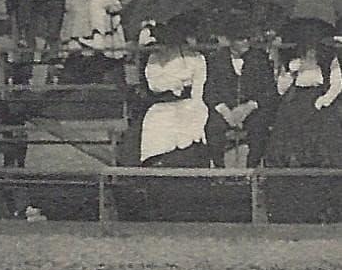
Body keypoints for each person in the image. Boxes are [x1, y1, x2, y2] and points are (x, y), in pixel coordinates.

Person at [263, 19, 342, 167]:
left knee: (327, 124)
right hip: (297, 98)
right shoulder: (293, 62)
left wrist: (324, 100)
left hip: (321, 99)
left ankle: (321, 162)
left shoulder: (329, 60)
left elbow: (337, 84)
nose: (311, 51)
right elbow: (281, 89)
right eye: (308, 47)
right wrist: (291, 72)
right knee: (288, 119)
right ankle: (292, 162)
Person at [136, 12, 210, 167]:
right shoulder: (155, 58)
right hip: (162, 103)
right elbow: (154, 85)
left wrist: (189, 96)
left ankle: (187, 159)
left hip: (191, 102)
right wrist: (173, 83)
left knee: (191, 121)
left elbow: (199, 87)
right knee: (156, 121)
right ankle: (158, 161)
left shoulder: (196, 58)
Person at [203, 17, 278, 168]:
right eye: (240, 39)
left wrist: (248, 107)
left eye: (247, 38)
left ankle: (251, 171)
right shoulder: (216, 59)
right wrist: (225, 111)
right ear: (230, 41)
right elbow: (210, 90)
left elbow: (269, 91)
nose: (245, 42)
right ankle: (220, 170)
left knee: (259, 128)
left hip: (251, 109)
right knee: (212, 128)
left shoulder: (260, 58)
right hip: (226, 109)